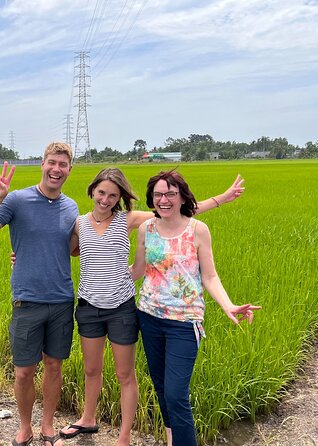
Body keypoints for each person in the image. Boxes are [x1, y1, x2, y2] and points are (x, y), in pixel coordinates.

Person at [57, 168, 245, 446]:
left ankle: (125, 438)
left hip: (133, 309)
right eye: (101, 193)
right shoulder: (80, 224)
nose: (106, 199)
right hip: (108, 309)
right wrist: (21, 257)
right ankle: (89, 419)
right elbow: (61, 249)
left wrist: (221, 198)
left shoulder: (130, 220)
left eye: (113, 194)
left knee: (145, 382)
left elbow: (177, 213)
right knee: (99, 371)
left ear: (120, 197)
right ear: (92, 191)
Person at [129, 169, 261, 446]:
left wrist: (228, 305)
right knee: (163, 388)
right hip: (149, 317)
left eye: (170, 194)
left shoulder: (197, 230)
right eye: (158, 195)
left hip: (184, 322)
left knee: (177, 394)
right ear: (152, 199)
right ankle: (170, 439)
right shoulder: (146, 229)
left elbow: (209, 276)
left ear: (181, 197)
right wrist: (101, 275)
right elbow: (138, 270)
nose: (164, 200)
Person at [0, 142, 78, 446]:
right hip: (27, 300)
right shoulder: (17, 200)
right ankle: (24, 427)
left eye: (63, 164)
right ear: (42, 164)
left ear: (70, 170)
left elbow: (72, 249)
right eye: (52, 163)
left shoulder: (71, 207)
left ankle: (46, 426)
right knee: (23, 371)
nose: (56, 169)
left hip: (60, 300)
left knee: (55, 365)